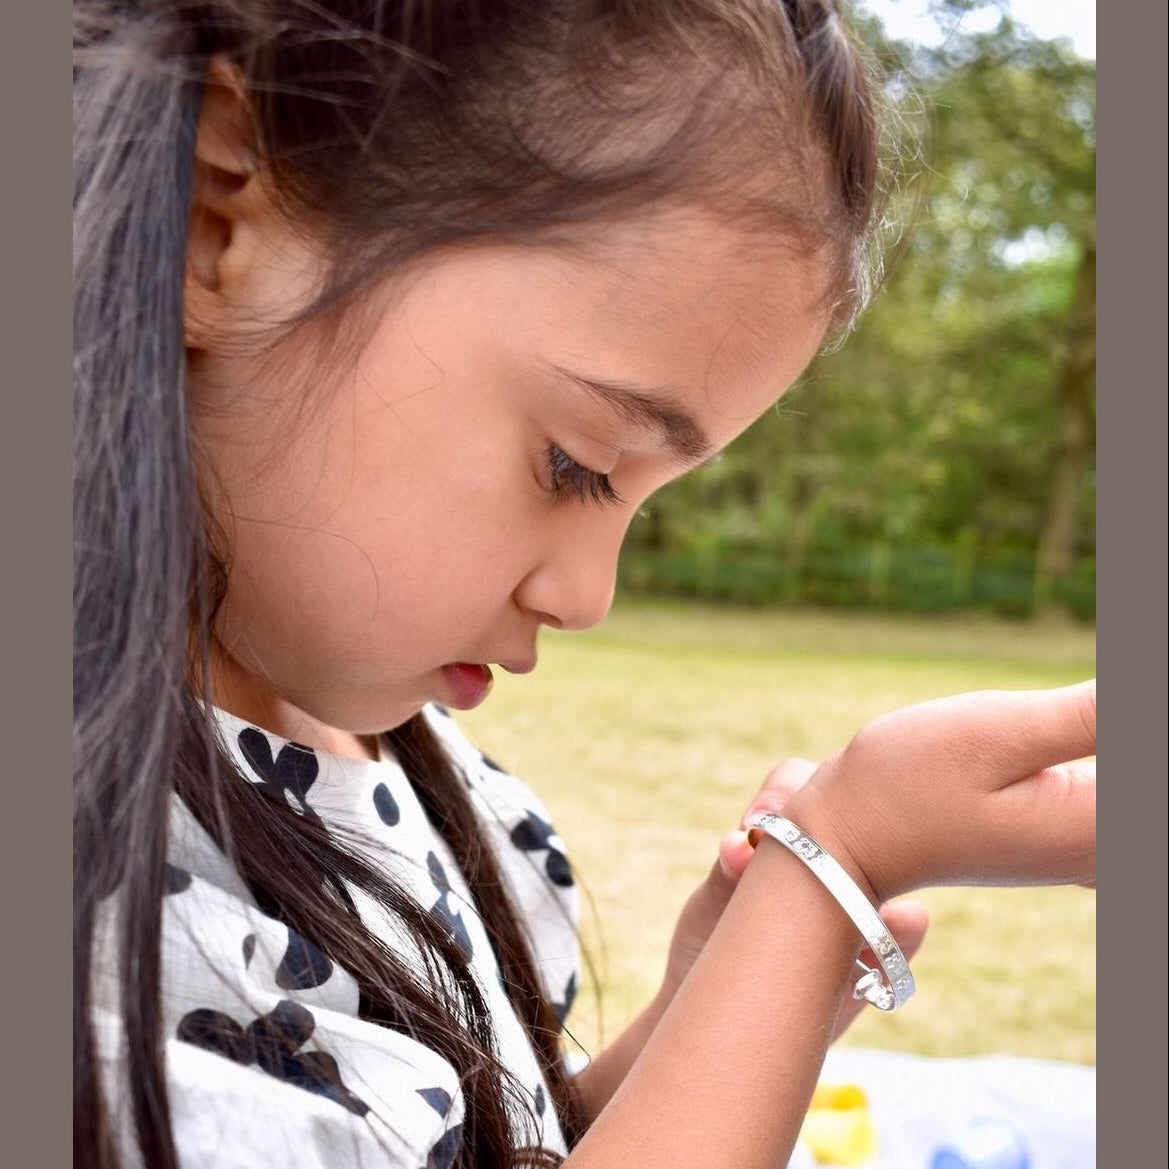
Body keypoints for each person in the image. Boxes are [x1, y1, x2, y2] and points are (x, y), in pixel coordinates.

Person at [72, 2, 1096, 1167]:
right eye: (579, 463)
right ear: (215, 224)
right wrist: (827, 877)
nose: (590, 596)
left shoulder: (392, 746)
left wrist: (735, 1003)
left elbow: (468, 1140)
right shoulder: (94, 907)